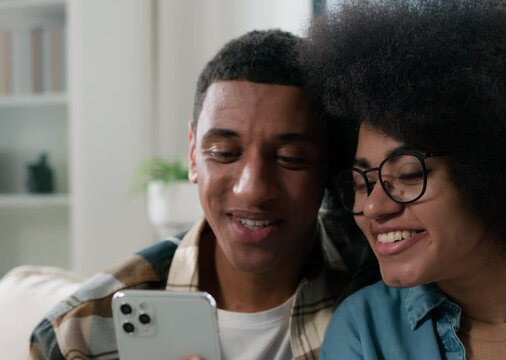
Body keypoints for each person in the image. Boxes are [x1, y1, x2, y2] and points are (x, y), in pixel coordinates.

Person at [299, 0, 506, 359]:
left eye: (408, 174)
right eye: (361, 181)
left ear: (501, 170)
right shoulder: (364, 333)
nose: (372, 206)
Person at [29, 29, 375, 360]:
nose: (251, 189)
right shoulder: (77, 336)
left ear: (329, 165)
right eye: (224, 152)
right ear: (193, 155)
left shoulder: (379, 294)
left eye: (290, 159)